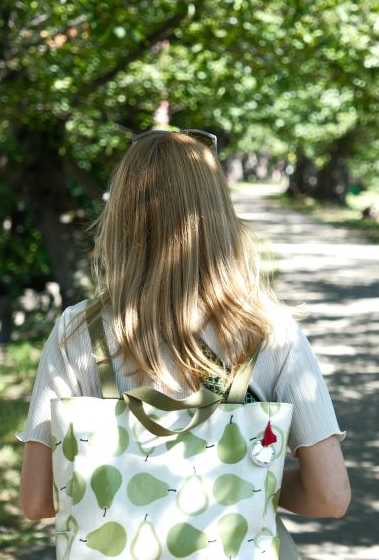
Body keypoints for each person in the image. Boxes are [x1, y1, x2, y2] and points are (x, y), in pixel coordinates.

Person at [18, 130, 350, 524]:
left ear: (121, 218)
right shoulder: (270, 332)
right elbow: (329, 496)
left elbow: (36, 500)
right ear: (220, 214)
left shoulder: (78, 330)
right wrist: (240, 479)